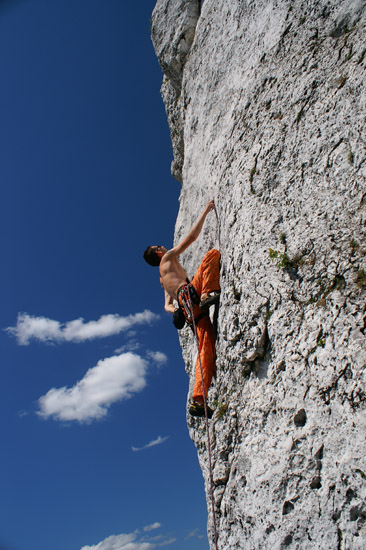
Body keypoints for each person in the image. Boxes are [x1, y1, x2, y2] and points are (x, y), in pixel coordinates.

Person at [143, 199, 220, 418]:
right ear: (158, 252)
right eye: (160, 246)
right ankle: (208, 292)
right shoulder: (168, 257)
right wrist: (206, 210)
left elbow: (166, 305)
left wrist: (175, 312)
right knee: (211, 256)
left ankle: (199, 399)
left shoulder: (162, 279)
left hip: (188, 311)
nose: (163, 246)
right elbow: (192, 238)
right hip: (193, 296)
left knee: (205, 349)